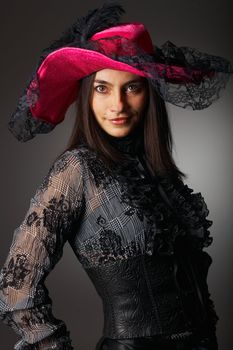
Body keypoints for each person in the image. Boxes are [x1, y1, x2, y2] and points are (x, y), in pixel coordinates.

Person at [0, 2, 232, 350]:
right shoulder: (77, 169)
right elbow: (17, 288)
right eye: (102, 88)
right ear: (86, 95)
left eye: (132, 88)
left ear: (149, 94)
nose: (118, 106)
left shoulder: (159, 174)